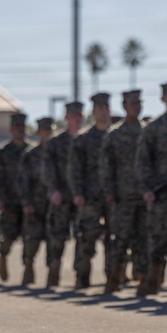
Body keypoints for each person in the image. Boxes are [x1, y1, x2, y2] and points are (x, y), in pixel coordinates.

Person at [135, 80, 167, 295]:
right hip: (162, 191)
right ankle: (152, 278)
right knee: (158, 237)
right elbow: (143, 161)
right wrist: (146, 187)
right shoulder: (153, 129)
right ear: (163, 99)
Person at [101, 90, 146, 293]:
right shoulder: (115, 134)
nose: (136, 107)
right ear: (125, 106)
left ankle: (142, 279)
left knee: (143, 239)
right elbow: (106, 166)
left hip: (145, 196)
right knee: (120, 239)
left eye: (138, 103)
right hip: (122, 196)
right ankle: (114, 278)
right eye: (131, 104)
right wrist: (109, 191)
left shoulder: (147, 131)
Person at [68, 92, 112, 289]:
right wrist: (78, 192)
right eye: (100, 108)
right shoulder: (83, 139)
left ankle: (113, 276)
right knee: (87, 237)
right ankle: (82, 274)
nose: (104, 112)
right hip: (90, 197)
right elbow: (75, 168)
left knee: (114, 237)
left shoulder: (116, 136)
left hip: (113, 196)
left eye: (106, 108)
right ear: (94, 111)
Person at [43, 101, 83, 287]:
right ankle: (54, 269)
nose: (76, 119)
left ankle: (80, 274)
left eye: (79, 116)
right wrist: (53, 191)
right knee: (57, 237)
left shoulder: (86, 140)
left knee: (83, 237)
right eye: (73, 116)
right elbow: (48, 170)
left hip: (82, 198)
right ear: (66, 118)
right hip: (62, 198)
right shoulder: (56, 143)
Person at [0, 113, 30, 283]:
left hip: (29, 203)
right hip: (9, 202)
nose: (20, 131)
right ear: (11, 130)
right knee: (8, 236)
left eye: (23, 128)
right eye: (17, 128)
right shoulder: (2, 153)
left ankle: (28, 268)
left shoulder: (32, 151)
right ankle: (3, 257)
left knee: (30, 237)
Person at [18, 117, 55, 286]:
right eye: (44, 130)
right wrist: (27, 203)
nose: (47, 134)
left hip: (54, 207)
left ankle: (52, 275)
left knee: (54, 241)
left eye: (50, 130)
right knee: (32, 240)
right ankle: (28, 268)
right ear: (39, 133)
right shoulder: (31, 155)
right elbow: (24, 181)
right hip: (36, 205)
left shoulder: (57, 153)